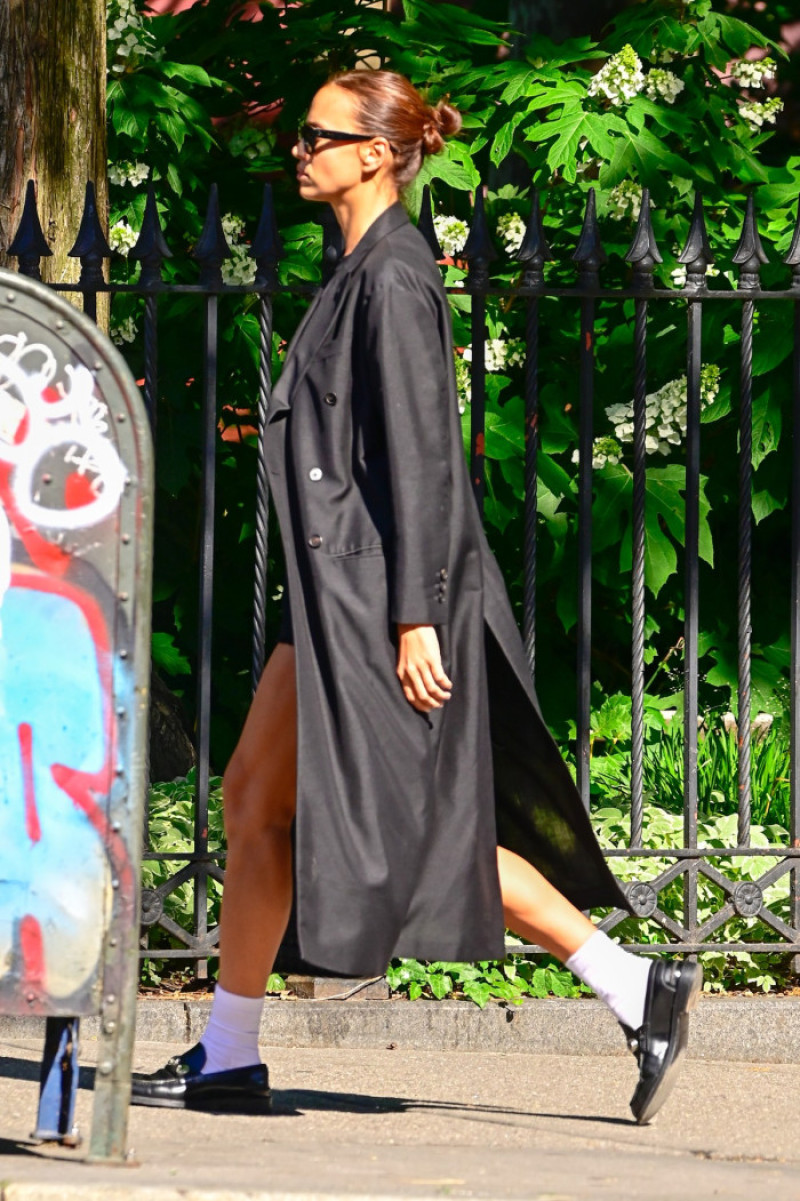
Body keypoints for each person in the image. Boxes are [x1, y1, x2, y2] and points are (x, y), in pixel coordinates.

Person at [131, 69, 701, 1124]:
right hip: (331, 596)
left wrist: (416, 616)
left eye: (317, 135)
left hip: (380, 605)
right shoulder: (354, 268)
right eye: (302, 133)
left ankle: (629, 980)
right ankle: (229, 1052)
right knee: (253, 799)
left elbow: (426, 460)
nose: (298, 149)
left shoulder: (394, 277)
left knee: (421, 836)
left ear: (374, 154)